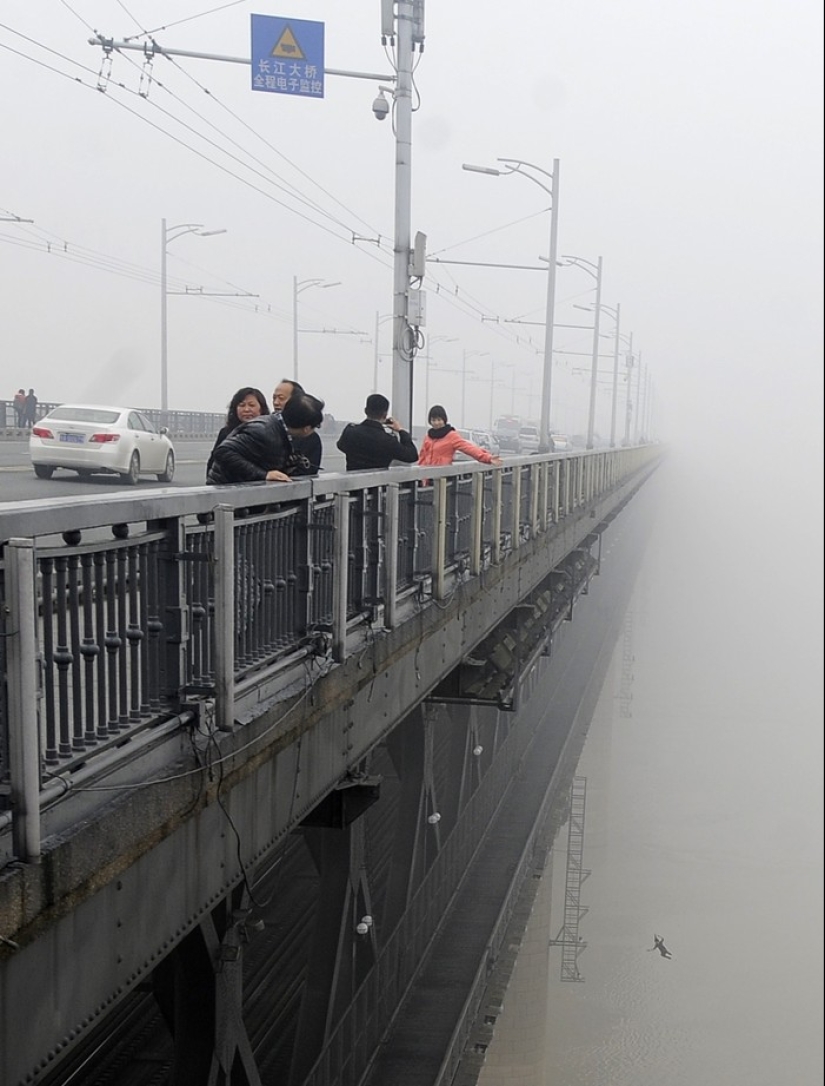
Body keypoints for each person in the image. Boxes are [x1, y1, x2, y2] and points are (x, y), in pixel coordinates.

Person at [207, 392, 325, 485]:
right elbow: (223, 452)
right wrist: (264, 474)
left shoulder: (279, 430)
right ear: (307, 428)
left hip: (238, 492)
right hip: (225, 495)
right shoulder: (264, 431)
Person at [336, 393, 418, 471]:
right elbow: (412, 456)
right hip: (377, 484)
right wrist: (401, 430)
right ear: (385, 415)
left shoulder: (350, 431)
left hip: (353, 484)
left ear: (365, 411)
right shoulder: (388, 440)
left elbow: (340, 445)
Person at [205, 387, 269, 479]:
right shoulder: (226, 433)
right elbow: (213, 462)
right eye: (242, 405)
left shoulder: (269, 433)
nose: (246, 409)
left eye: (251, 405)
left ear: (261, 409)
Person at [417, 404, 503, 469]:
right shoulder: (428, 437)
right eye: (433, 420)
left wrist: (487, 458)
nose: (436, 423)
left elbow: (469, 449)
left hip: (442, 478)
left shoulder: (451, 436)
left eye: (439, 420)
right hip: (426, 478)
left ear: (444, 420)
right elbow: (422, 457)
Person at [272, 377, 323, 473]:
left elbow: (307, 472)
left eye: (281, 398)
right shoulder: (265, 428)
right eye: (274, 398)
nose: (276, 402)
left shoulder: (310, 438)